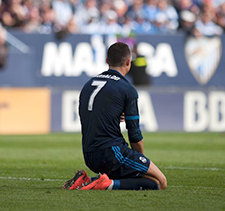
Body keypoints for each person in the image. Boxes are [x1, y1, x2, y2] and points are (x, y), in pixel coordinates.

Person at [63, 42, 167, 191]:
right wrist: (139, 161)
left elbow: (89, 116)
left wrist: (114, 115)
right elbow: (134, 133)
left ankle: (86, 180)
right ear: (128, 62)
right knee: (159, 182)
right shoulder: (127, 89)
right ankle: (108, 184)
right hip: (111, 153)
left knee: (141, 177)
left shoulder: (88, 84)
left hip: (89, 154)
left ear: (107, 61)